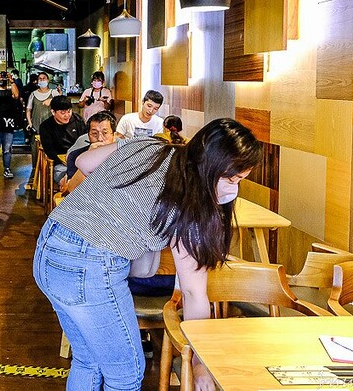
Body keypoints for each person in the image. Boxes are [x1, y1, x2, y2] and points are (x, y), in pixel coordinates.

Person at [33, 118, 261, 391]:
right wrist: (199, 362)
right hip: (88, 265)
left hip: (49, 245)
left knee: (89, 360)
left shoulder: (150, 146)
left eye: (240, 180)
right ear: (210, 165)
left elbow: (84, 161)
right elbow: (193, 292)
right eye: (231, 179)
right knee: (126, 374)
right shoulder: (190, 203)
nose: (233, 189)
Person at [61, 111, 117, 193]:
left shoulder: (123, 155)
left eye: (105, 133)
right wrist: (88, 158)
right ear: (88, 136)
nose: (100, 138)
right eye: (94, 133)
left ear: (114, 136)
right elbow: (71, 189)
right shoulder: (75, 155)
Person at [38, 95, 86, 184]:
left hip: (79, 160)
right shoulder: (46, 126)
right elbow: (49, 150)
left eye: (69, 111)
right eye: (62, 113)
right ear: (53, 112)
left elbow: (85, 141)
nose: (67, 115)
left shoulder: (78, 121)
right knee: (64, 177)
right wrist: (62, 160)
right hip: (60, 163)